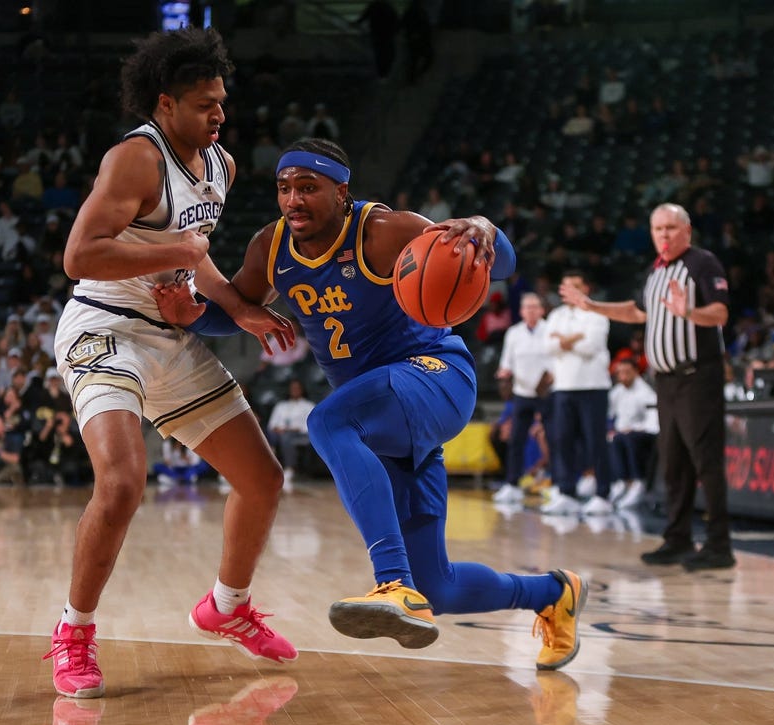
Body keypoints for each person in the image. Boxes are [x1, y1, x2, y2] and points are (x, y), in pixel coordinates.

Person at [154, 138, 586, 672]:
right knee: (440, 587)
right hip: (384, 416)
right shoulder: (272, 247)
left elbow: (504, 264)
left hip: (436, 377)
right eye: (285, 189)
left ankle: (391, 582)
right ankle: (552, 593)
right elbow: (237, 306)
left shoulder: (386, 230)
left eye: (308, 188)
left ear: (342, 192)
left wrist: (484, 228)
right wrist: (194, 314)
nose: (293, 200)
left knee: (328, 421)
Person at [43, 27, 300, 701]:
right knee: (124, 483)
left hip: (167, 336)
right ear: (165, 104)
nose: (219, 113)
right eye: (204, 103)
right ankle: (74, 631)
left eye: (222, 100)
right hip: (102, 328)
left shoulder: (222, 164)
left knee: (263, 479)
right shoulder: (136, 159)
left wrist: (235, 308)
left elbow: (196, 251)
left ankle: (228, 604)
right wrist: (176, 256)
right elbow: (80, 255)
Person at [559, 202, 735, 570]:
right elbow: (637, 312)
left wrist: (688, 312)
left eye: (671, 228)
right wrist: (592, 306)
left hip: (697, 377)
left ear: (687, 230)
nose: (664, 235)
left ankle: (719, 547)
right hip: (666, 383)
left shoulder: (703, 263)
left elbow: (720, 313)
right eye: (658, 229)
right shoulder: (655, 271)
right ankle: (678, 540)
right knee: (673, 465)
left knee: (706, 462)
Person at [542, 271, 614, 516]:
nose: (570, 290)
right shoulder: (556, 315)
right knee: (562, 441)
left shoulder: (598, 313)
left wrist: (563, 340)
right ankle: (566, 492)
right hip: (563, 387)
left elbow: (591, 347)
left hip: (593, 386)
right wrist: (575, 337)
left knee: (595, 442)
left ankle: (603, 494)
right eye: (566, 286)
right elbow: (548, 346)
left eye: (576, 286)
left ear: (586, 288)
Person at [493, 293, 552, 504]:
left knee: (553, 437)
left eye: (535, 307)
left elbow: (556, 360)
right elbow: (506, 363)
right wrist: (504, 375)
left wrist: (549, 378)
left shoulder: (550, 330)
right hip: (521, 393)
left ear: (542, 310)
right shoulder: (514, 333)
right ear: (521, 311)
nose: (531, 311)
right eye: (527, 307)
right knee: (516, 439)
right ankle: (512, 484)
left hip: (546, 393)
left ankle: (556, 483)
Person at [606, 358, 658, 509]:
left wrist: (635, 428)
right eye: (619, 373)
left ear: (635, 372)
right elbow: (610, 415)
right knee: (613, 438)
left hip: (642, 434)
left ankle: (637, 483)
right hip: (622, 433)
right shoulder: (617, 392)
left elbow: (652, 420)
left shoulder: (645, 392)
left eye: (627, 372)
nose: (623, 377)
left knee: (627, 438)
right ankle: (620, 482)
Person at [265, 378, 315, 490]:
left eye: (297, 388)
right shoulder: (281, 405)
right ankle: (267, 468)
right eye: (292, 388)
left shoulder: (308, 405)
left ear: (302, 390)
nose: (294, 390)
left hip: (301, 434)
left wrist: (294, 429)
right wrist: (278, 429)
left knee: (286, 436)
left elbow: (310, 426)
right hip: (279, 434)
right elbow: (272, 424)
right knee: (269, 435)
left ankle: (289, 468)